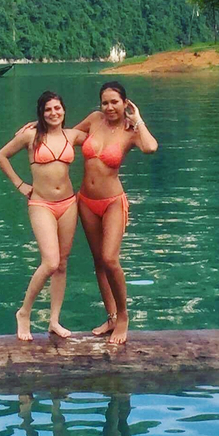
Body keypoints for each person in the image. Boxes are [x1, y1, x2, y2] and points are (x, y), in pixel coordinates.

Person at [0, 91, 86, 341]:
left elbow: (102, 133)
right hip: (41, 203)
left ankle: (54, 320)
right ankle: (24, 313)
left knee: (63, 264)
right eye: (48, 110)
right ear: (41, 113)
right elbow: (1, 157)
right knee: (51, 262)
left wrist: (134, 123)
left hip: (68, 203)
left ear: (64, 110)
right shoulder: (30, 135)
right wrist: (20, 184)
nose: (54, 113)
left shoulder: (73, 135)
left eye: (58, 108)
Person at [73, 81, 158, 345]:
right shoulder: (93, 120)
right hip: (86, 200)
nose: (109, 107)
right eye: (105, 102)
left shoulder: (130, 130)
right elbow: (64, 137)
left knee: (110, 259)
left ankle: (123, 317)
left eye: (114, 102)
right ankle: (110, 317)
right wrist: (35, 130)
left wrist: (139, 119)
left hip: (112, 202)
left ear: (125, 103)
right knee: (98, 261)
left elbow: (150, 147)